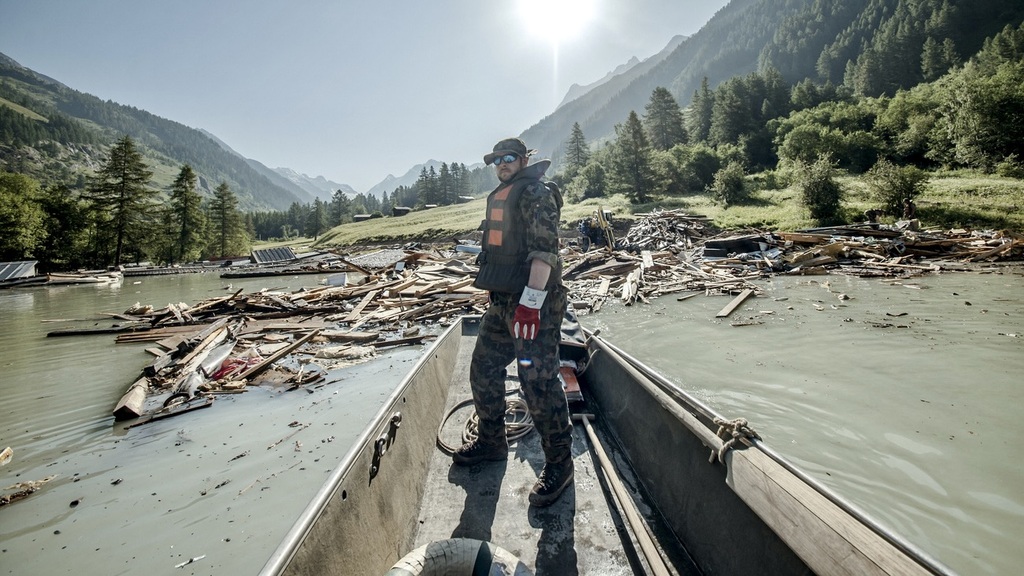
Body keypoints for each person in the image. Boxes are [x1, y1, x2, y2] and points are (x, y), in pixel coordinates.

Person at [454, 137, 574, 508]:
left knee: (537, 382)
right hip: (503, 304)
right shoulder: (504, 194)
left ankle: (560, 464)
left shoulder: (536, 193)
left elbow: (544, 252)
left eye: (508, 158)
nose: (502, 164)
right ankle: (492, 442)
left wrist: (530, 304)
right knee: (483, 368)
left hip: (535, 305)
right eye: (497, 160)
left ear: (523, 160)